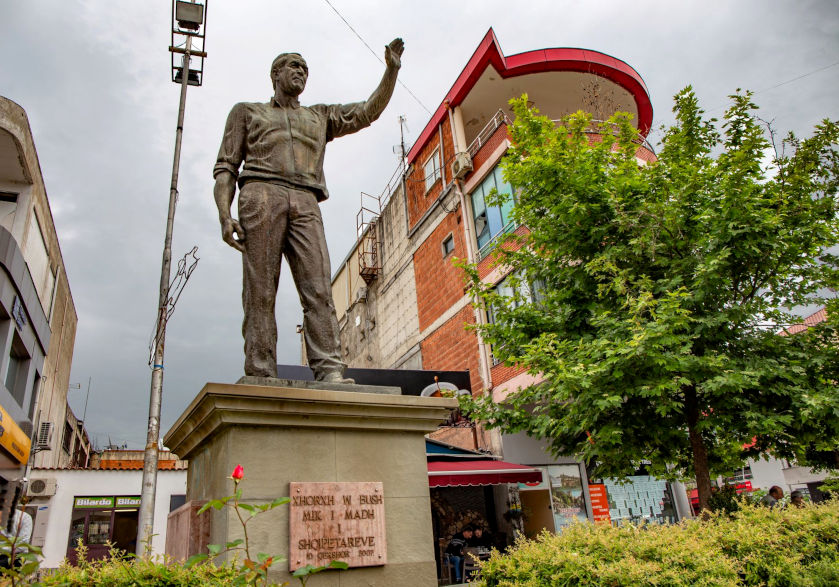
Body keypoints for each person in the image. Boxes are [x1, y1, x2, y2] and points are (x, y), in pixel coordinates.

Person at [213, 39, 404, 382]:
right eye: (293, 65)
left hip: (305, 200)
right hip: (260, 194)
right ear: (275, 74)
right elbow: (226, 167)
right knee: (260, 290)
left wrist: (391, 70)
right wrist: (225, 215)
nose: (300, 72)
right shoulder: (246, 112)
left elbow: (366, 112)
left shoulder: (320, 116)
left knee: (318, 288)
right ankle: (260, 369)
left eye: (305, 68)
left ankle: (330, 368)